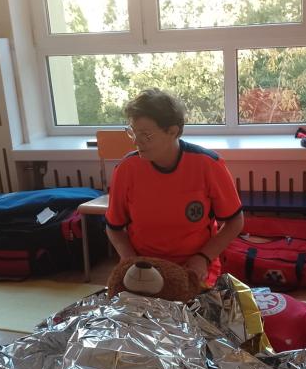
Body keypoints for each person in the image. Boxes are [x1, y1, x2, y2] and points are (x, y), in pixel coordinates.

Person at [105, 88, 244, 286]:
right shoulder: (126, 169)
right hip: (144, 267)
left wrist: (203, 257)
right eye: (133, 132)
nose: (136, 141)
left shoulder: (208, 165)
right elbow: (114, 227)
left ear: (173, 131)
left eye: (146, 134)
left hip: (194, 266)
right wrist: (129, 260)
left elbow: (235, 221)